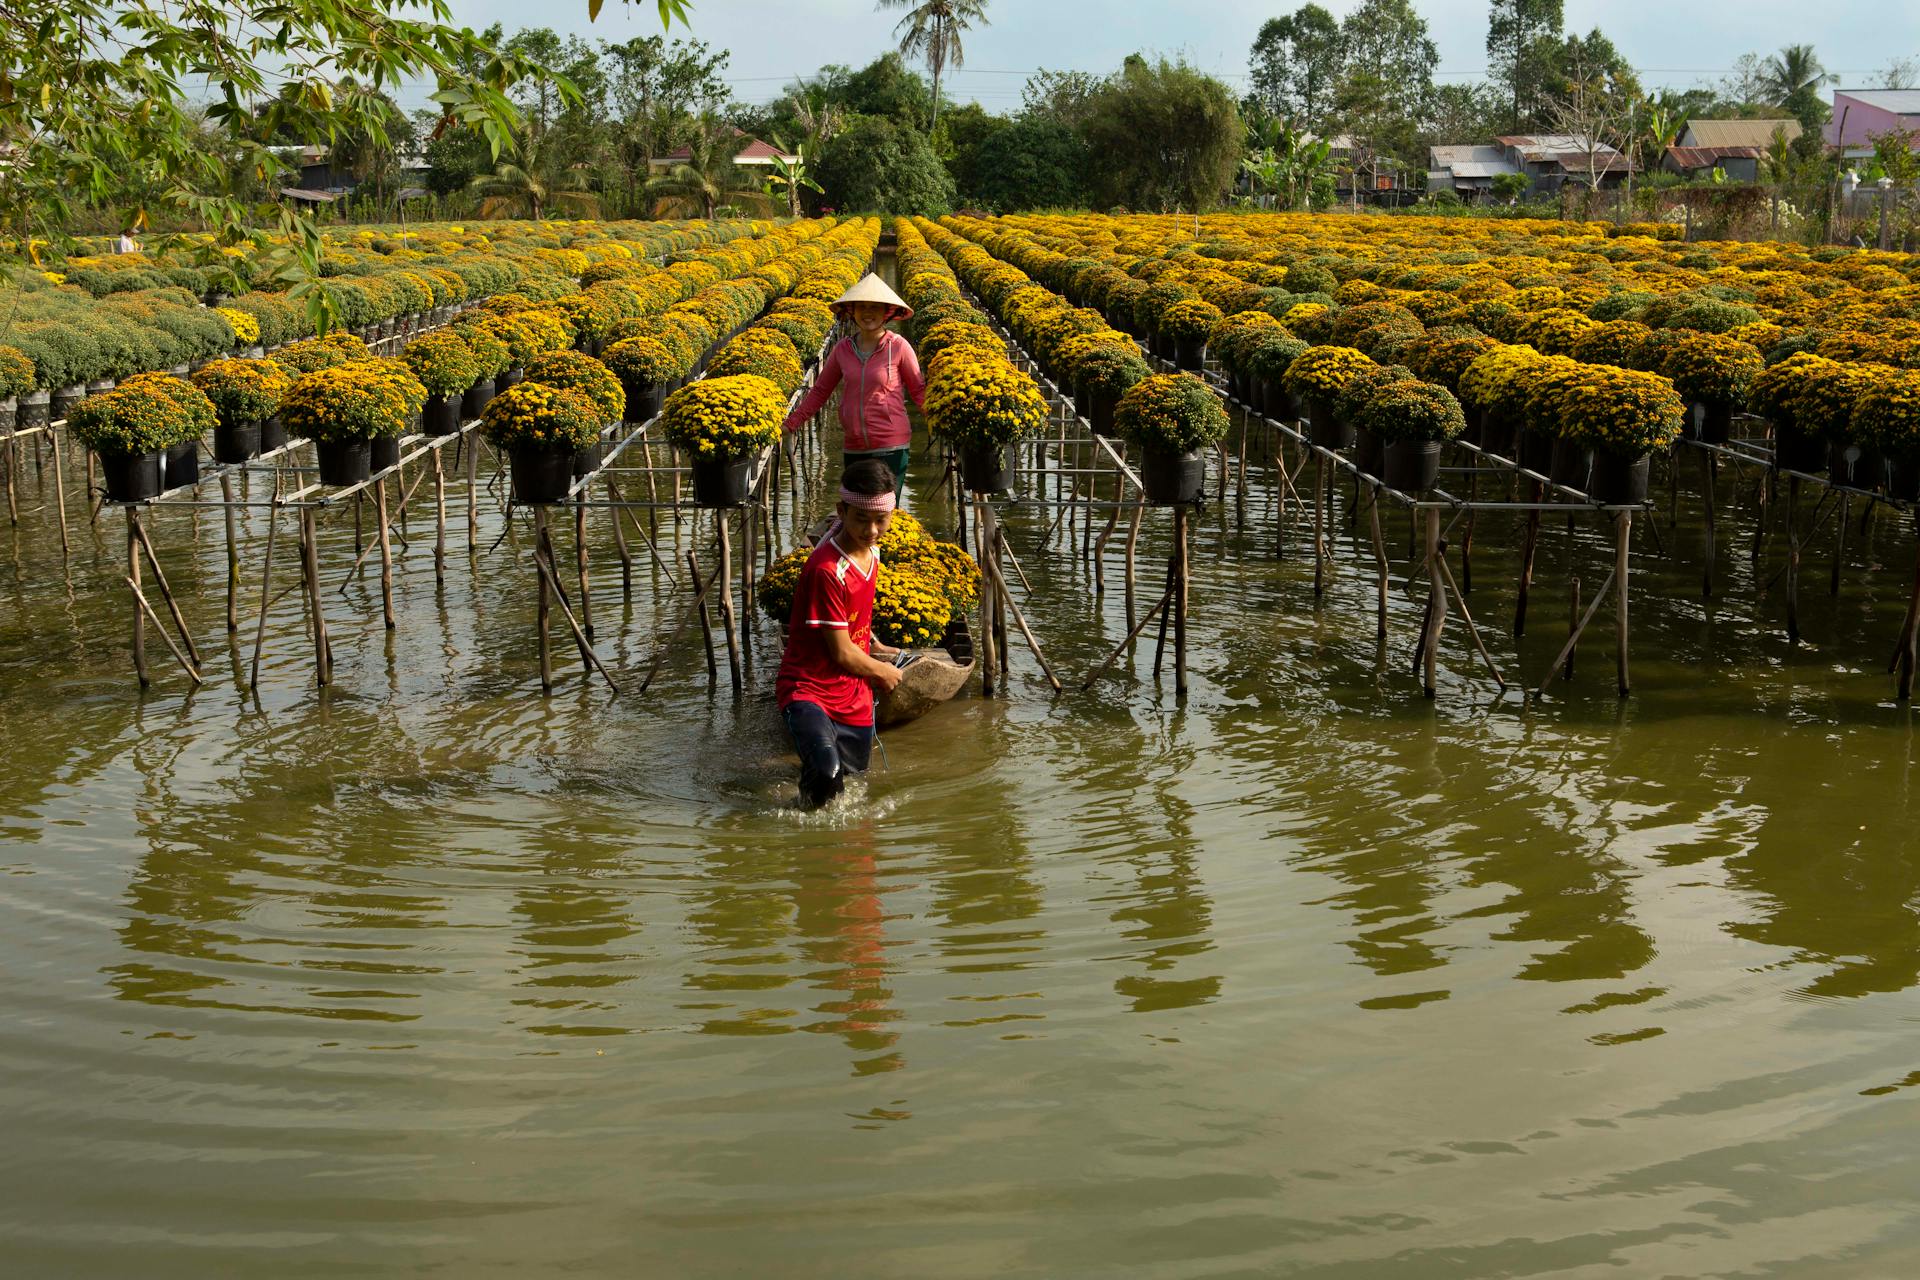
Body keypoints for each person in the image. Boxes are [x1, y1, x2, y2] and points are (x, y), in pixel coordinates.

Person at [775, 459, 905, 809]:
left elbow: (854, 616)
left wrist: (875, 645)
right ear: (841, 512)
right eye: (862, 520)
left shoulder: (872, 554)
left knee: (850, 787)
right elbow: (842, 653)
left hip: (853, 695)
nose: (872, 530)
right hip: (809, 689)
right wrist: (882, 671)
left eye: (881, 520)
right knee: (828, 774)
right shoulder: (827, 570)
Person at [781, 274, 924, 500]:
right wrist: (792, 423)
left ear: (886, 311)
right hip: (854, 445)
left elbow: (918, 390)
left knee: (884, 512)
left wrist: (944, 421)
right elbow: (820, 391)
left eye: (875, 307)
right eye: (862, 307)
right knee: (856, 511)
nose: (868, 313)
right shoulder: (842, 349)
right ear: (853, 312)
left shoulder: (898, 347)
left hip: (891, 445)